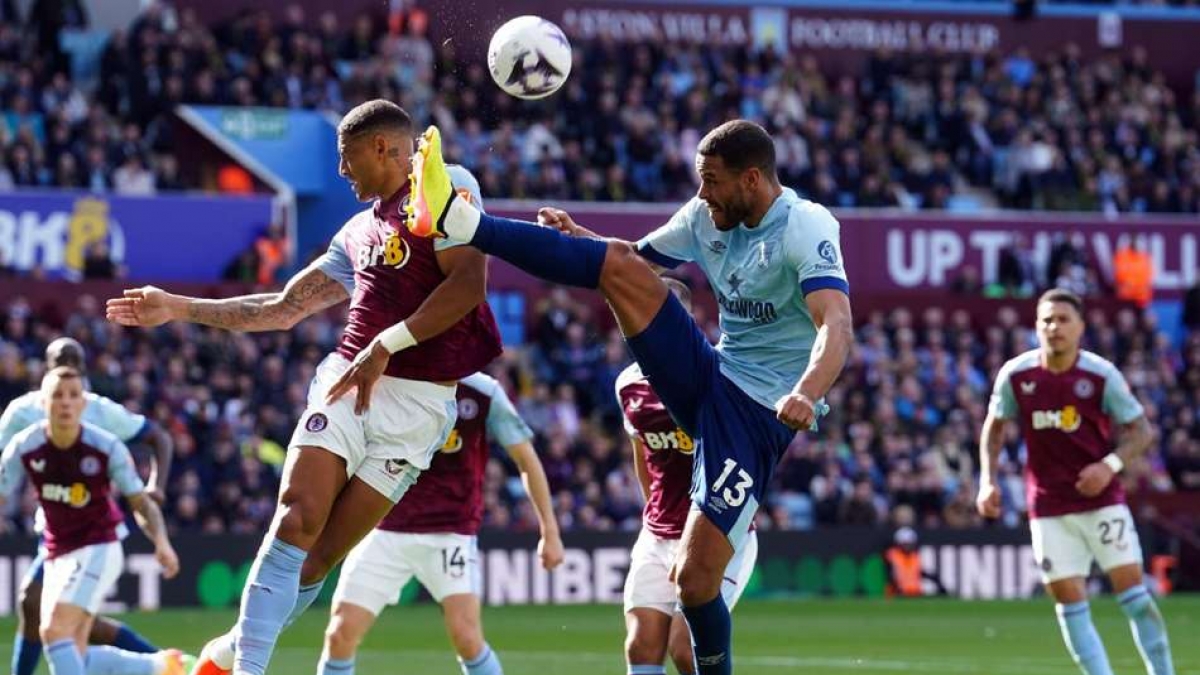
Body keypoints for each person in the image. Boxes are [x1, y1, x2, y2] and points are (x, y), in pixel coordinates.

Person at [391, 119, 853, 675]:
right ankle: (460, 220)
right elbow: (631, 258)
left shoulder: (805, 226)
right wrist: (578, 237)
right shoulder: (704, 217)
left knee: (696, 581)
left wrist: (807, 392)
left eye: (711, 180)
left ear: (751, 179)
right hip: (712, 374)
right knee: (615, 267)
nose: (702, 193)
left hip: (757, 414)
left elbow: (837, 324)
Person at [106, 99, 501, 675]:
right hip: (347, 386)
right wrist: (178, 307)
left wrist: (387, 345)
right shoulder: (356, 233)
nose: (342, 173)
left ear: (383, 149)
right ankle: (248, 670)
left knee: (316, 563)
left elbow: (468, 285)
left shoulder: (447, 186)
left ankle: (216, 661)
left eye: (347, 158)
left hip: (419, 408)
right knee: (295, 518)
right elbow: (281, 307)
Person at [977, 288, 1175, 675]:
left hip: (1101, 502)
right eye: (1046, 320)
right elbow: (994, 428)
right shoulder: (1016, 376)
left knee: (1135, 598)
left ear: (1081, 327)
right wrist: (987, 480)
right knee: (1069, 604)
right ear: (1036, 327)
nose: (1054, 327)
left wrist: (1110, 464)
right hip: (1048, 508)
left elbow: (1141, 431)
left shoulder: (1101, 376)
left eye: (1063, 320)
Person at [320, 371, 564, 675]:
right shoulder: (389, 380)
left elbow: (526, 459)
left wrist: (549, 531)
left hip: (451, 533)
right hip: (384, 529)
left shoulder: (483, 393)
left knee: (467, 639)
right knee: (340, 634)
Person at [0, 338, 174, 675]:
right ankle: (165, 665)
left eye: (74, 366)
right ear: (45, 378)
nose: (66, 402)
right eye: (60, 363)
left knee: (50, 622)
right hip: (53, 535)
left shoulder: (101, 417)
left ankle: (164, 665)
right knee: (71, 630)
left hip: (94, 535)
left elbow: (158, 439)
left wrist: (157, 491)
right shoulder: (23, 419)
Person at [616, 278, 757, 675]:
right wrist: (656, 514)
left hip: (714, 531)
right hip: (659, 530)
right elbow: (643, 455)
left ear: (684, 320)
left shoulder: (718, 374)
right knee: (641, 646)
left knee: (684, 648)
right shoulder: (627, 384)